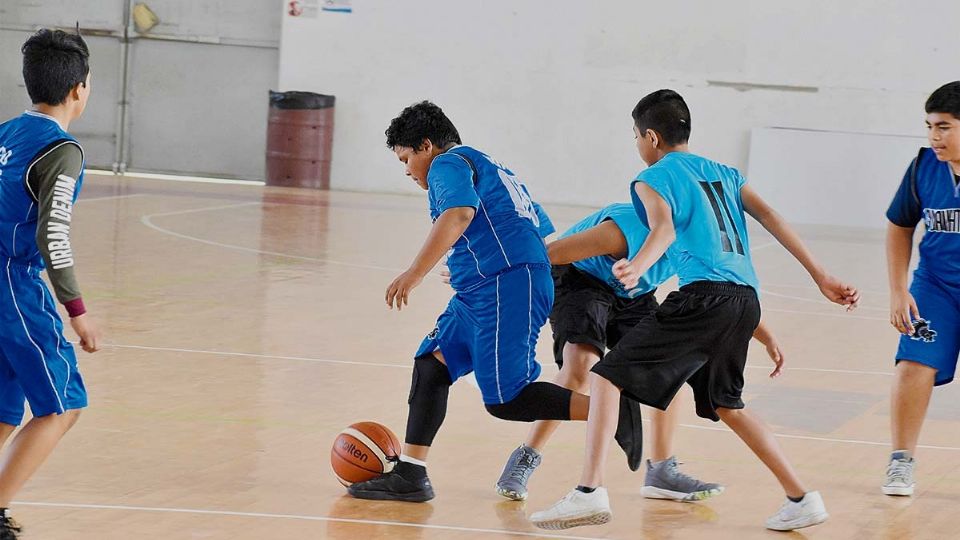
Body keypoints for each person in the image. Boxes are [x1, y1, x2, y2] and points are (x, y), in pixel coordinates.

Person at [530, 89, 859, 532]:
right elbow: (772, 217)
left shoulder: (655, 176)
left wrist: (639, 264)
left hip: (703, 298)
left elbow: (662, 229)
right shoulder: (724, 173)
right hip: (745, 302)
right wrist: (821, 276)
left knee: (606, 378)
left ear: (650, 137)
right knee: (728, 404)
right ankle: (802, 498)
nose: (636, 144)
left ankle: (588, 493)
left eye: (634, 135)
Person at [346, 101, 637, 503]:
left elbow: (459, 215)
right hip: (485, 289)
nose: (408, 171)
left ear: (427, 146)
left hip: (504, 288)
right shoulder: (497, 170)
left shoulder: (448, 163)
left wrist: (415, 273)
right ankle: (411, 474)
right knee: (431, 364)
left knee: (506, 399)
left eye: (407, 158)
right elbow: (541, 233)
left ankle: (610, 411)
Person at [496, 203, 786, 502]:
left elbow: (721, 291)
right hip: (579, 281)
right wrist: (487, 274)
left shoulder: (699, 242)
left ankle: (661, 471)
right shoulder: (623, 229)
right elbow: (547, 254)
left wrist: (766, 337)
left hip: (634, 294)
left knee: (671, 370)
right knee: (581, 366)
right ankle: (526, 456)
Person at [0, 29, 100, 540]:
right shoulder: (60, 150)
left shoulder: (5, 133)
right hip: (12, 288)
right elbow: (52, 232)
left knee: (2, 405)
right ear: (79, 89)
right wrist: (76, 308)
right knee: (63, 405)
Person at [883, 81, 960, 497]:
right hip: (936, 286)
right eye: (930, 126)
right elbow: (900, 224)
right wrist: (898, 289)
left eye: (944, 127)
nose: (934, 136)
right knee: (913, 365)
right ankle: (901, 462)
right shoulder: (922, 167)